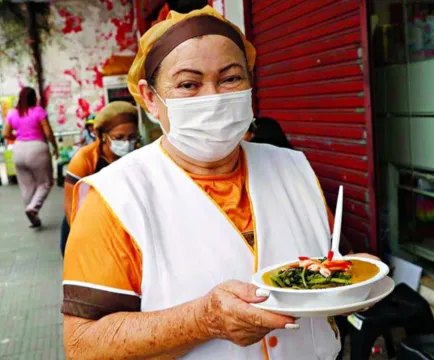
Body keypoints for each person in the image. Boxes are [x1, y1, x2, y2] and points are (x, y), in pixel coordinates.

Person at [62, 7, 376, 359]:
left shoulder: (292, 167)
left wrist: (355, 280)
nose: (212, 97)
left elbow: (333, 264)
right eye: (188, 84)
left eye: (230, 79)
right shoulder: (117, 197)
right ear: (150, 97)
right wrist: (203, 320)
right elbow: (82, 344)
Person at [61, 101, 139, 256]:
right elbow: (71, 206)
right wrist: (83, 239)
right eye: (119, 137)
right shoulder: (84, 159)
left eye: (131, 137)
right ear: (103, 136)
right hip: (85, 223)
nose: (126, 143)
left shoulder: (138, 156)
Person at [3, 87, 59, 228]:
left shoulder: (12, 113)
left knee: (27, 186)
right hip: (37, 148)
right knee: (45, 183)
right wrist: (55, 146)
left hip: (19, 149)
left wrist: (18, 136)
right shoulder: (38, 111)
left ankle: (34, 218)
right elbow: (48, 132)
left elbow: (5, 134)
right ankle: (33, 208)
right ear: (34, 98)